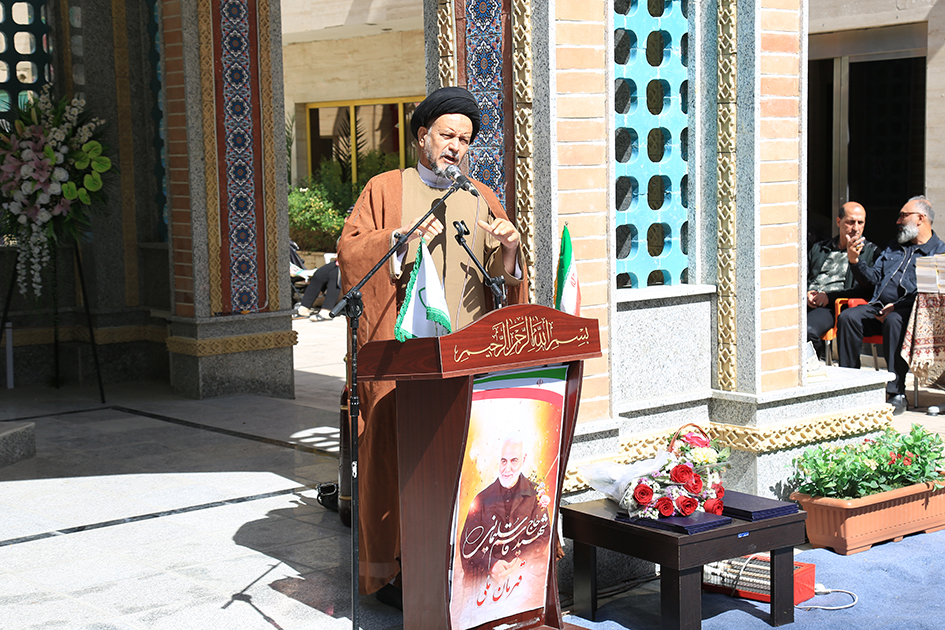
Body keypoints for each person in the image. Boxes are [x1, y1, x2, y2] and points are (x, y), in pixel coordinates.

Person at [335, 86, 528, 602]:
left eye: (465, 140)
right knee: (401, 458)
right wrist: (397, 241)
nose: (455, 147)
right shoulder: (385, 189)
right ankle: (398, 570)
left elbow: (503, 278)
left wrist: (511, 250)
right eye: (447, 135)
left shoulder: (480, 197)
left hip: (466, 359)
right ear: (422, 136)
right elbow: (350, 254)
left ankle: (466, 562)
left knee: (464, 460)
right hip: (404, 360)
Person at [838, 196, 945, 415]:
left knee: (894, 321)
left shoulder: (938, 253)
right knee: (848, 317)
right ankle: (850, 386)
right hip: (878, 306)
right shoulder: (894, 247)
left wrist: (897, 306)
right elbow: (872, 279)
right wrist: (855, 261)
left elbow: (932, 296)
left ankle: (897, 393)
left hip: (911, 316)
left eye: (903, 216)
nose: (898, 221)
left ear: (920, 218)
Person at [458, 436, 551, 586]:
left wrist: (520, 561)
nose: (507, 468)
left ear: (523, 459)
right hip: (487, 586)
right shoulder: (482, 500)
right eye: (503, 461)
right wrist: (491, 565)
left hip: (524, 580)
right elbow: (467, 548)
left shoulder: (535, 495)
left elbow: (542, 535)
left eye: (514, 461)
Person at [806, 202, 877, 359]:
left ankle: (813, 367)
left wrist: (829, 297)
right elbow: (801, 276)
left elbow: (867, 289)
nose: (856, 228)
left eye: (860, 222)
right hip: (805, 302)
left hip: (832, 307)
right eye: (850, 222)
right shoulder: (820, 248)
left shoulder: (871, 253)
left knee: (807, 332)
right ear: (839, 222)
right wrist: (806, 293)